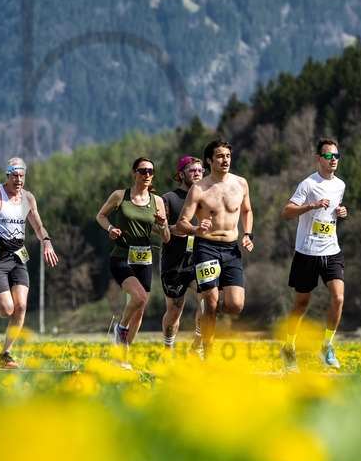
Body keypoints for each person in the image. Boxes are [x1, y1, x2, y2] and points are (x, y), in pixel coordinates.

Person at [0, 158, 58, 369]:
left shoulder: (28, 198)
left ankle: (5, 354)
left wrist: (46, 241)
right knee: (6, 309)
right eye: (14, 175)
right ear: (7, 175)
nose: (18, 180)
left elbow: (38, 226)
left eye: (22, 176)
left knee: (21, 307)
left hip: (18, 258)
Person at [175, 138, 254, 358]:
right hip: (206, 248)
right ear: (210, 160)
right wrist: (197, 229)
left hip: (231, 250)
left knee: (235, 305)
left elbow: (247, 210)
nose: (225, 160)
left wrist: (247, 234)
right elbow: (182, 223)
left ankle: (208, 310)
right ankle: (207, 354)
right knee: (209, 303)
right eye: (219, 156)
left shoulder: (241, 183)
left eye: (228, 155)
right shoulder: (199, 189)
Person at [280, 137, 348, 372]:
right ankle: (288, 349)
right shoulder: (308, 185)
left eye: (336, 156)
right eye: (329, 156)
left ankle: (326, 347)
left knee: (338, 298)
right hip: (307, 252)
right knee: (301, 306)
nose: (333, 160)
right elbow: (287, 211)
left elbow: (333, 213)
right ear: (319, 159)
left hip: (332, 250)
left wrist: (340, 211)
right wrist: (311, 206)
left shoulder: (340, 185)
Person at [97, 157, 170, 369]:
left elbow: (165, 238)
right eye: (143, 171)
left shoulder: (157, 201)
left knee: (140, 308)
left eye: (150, 171)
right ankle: (120, 329)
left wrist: (163, 223)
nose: (147, 175)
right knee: (138, 297)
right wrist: (110, 229)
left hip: (144, 259)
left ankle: (121, 357)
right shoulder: (120, 196)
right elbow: (101, 216)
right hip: (121, 256)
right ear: (134, 173)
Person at [159, 157, 206, 359]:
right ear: (181, 174)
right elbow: (154, 227)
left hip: (199, 260)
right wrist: (170, 228)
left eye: (200, 169)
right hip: (174, 263)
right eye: (192, 170)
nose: (197, 173)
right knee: (174, 312)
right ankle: (168, 348)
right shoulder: (168, 198)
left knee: (209, 303)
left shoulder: (207, 197)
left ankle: (197, 347)